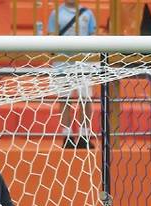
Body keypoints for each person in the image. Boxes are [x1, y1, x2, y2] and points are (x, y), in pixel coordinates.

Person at [48, 0, 97, 149]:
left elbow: (93, 37)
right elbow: (52, 37)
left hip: (83, 63)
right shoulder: (56, 13)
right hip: (62, 62)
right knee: (65, 99)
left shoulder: (88, 14)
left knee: (85, 99)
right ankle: (67, 135)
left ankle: (84, 134)